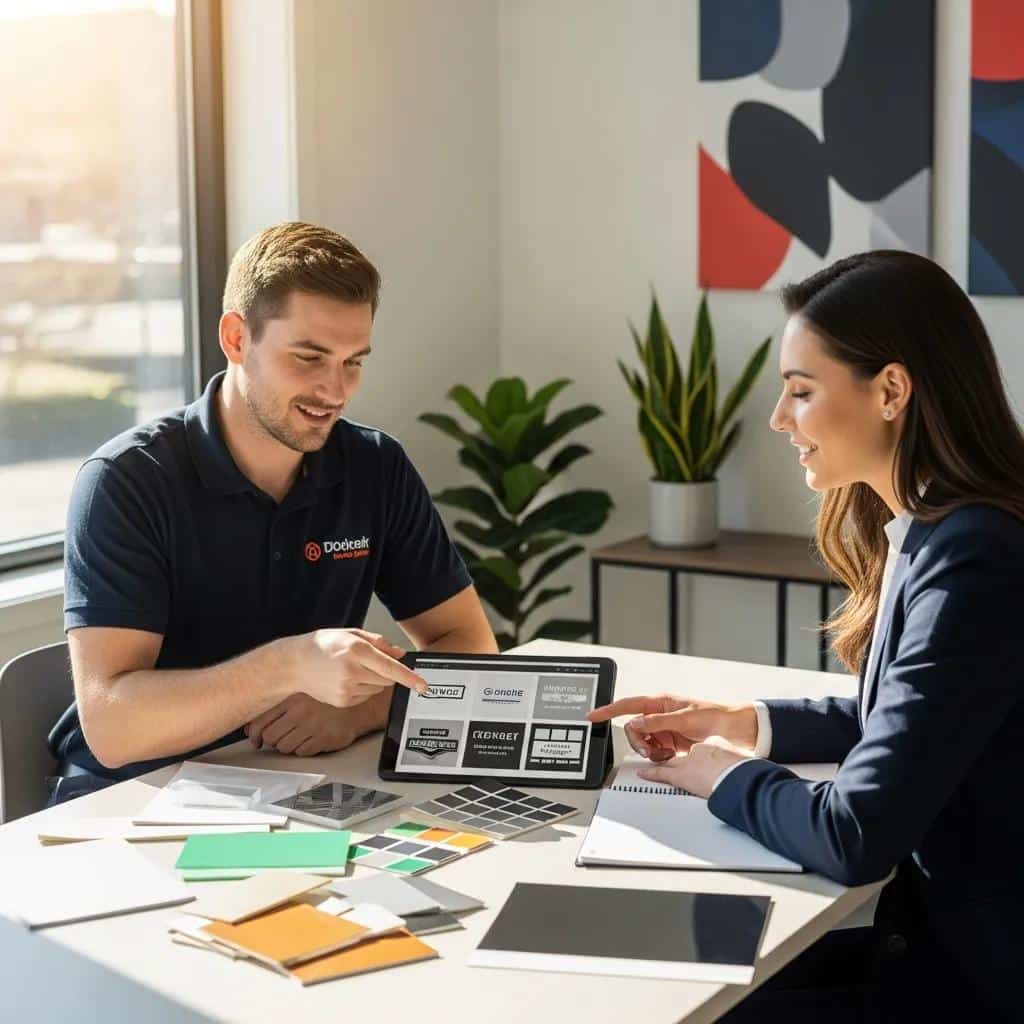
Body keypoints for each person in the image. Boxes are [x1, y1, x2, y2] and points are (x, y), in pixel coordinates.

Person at [589, 251, 1024, 1022]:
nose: (778, 419)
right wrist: (742, 724)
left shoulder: (976, 559)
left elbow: (855, 833)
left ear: (891, 391)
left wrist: (720, 778)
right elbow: (906, 717)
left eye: (800, 391)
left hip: (967, 978)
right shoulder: (938, 531)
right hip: (929, 941)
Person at [50, 221, 496, 803]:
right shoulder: (127, 481)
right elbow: (112, 728)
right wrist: (289, 666)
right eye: (309, 357)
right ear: (236, 338)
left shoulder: (375, 466)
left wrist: (362, 710)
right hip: (136, 797)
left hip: (301, 784)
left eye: (353, 361)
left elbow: (469, 644)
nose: (335, 391)